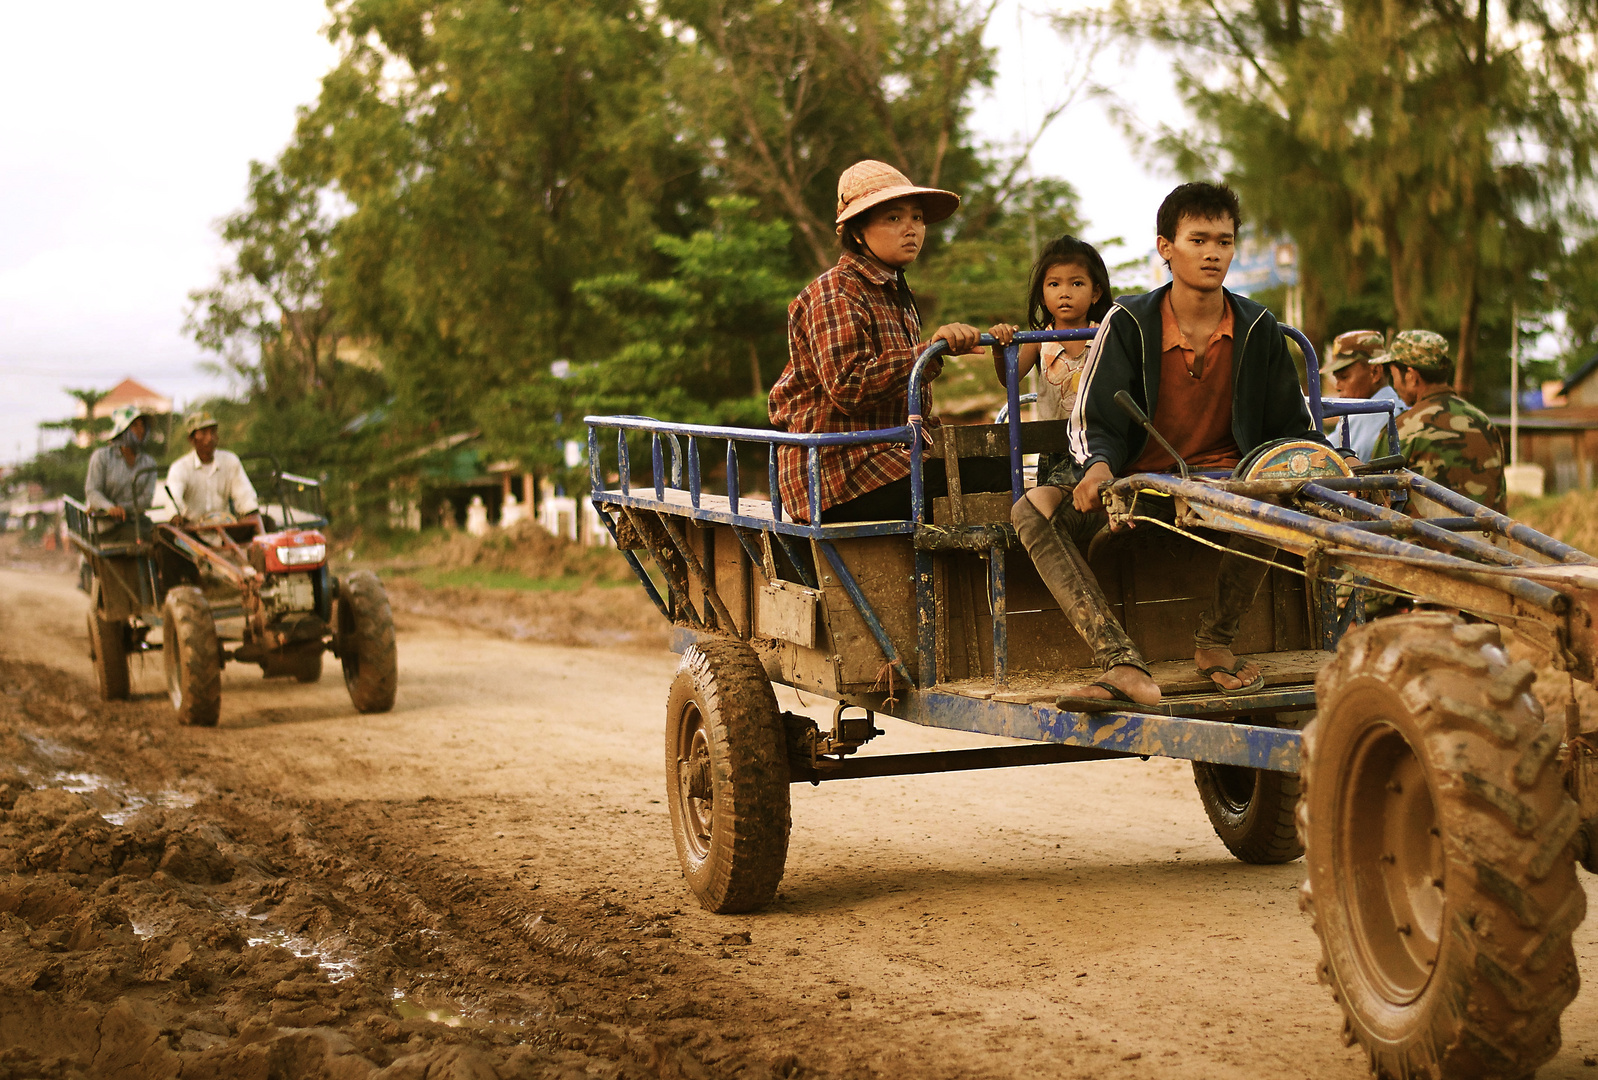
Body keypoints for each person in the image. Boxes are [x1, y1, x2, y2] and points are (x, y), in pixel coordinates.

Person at [1004, 182, 1331, 709]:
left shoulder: (1259, 326)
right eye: (1198, 239)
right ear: (1166, 248)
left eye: (1224, 241)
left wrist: (1331, 460)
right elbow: (1095, 416)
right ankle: (1121, 662)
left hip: (1226, 487)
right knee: (1032, 509)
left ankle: (1217, 643)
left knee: (1281, 495)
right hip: (1138, 485)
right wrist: (1098, 467)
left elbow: (1292, 426)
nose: (1212, 253)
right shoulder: (1129, 321)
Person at [769, 160, 1002, 523]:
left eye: (917, 218)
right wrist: (929, 352)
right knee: (990, 478)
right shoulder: (836, 292)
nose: (910, 229)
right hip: (840, 474)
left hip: (889, 458)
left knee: (1001, 464)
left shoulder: (895, 293)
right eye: (893, 218)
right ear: (858, 231)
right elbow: (849, 386)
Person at [987, 236, 1114, 488]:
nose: (1065, 293)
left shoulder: (1104, 334)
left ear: (1095, 293)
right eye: (1054, 284)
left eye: (1077, 283)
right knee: (1054, 498)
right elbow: (1008, 379)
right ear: (1043, 295)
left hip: (1097, 443)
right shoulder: (1038, 339)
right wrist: (1000, 349)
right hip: (1053, 444)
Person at [1371, 329, 1506, 513]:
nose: (1395, 386)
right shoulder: (1485, 424)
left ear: (1411, 376)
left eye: (1393, 375)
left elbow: (1375, 504)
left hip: (1420, 541)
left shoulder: (1401, 429)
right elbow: (1499, 499)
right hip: (1483, 540)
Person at [165, 411, 260, 526]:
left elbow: (245, 496)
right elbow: (173, 497)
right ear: (192, 439)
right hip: (193, 531)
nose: (210, 438)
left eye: (213, 432)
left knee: (266, 522)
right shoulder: (180, 468)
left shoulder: (230, 461)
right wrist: (176, 515)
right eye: (203, 433)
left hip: (226, 528)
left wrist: (251, 512)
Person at [1327, 329, 1404, 462]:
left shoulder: (1384, 417)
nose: (1337, 387)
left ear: (1375, 372)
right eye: (1337, 379)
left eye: (1344, 377)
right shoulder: (1356, 415)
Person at [85, 406, 159, 540]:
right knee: (143, 539)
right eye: (135, 426)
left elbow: (146, 499)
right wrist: (110, 508)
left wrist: (122, 509)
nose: (140, 430)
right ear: (123, 430)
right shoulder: (102, 457)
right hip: (107, 527)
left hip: (136, 522)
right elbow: (92, 491)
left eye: (143, 426)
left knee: (165, 538)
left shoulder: (149, 463)